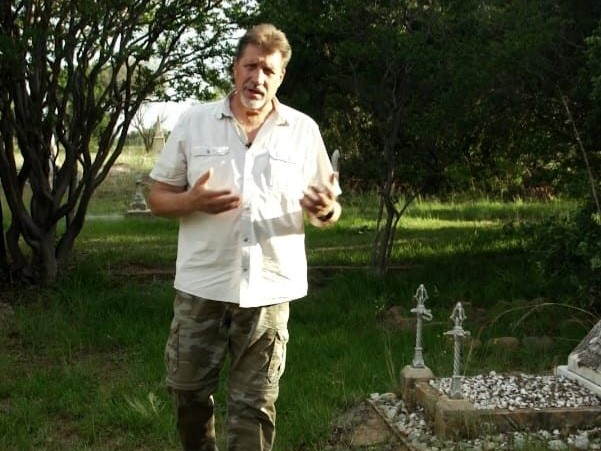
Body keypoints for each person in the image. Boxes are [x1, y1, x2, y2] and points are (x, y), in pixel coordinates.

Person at [148, 23, 342, 451]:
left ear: (281, 76)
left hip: (269, 291)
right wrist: (192, 200)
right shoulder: (195, 122)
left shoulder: (303, 130)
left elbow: (329, 209)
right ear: (235, 68)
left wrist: (325, 209)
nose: (258, 78)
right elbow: (157, 198)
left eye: (268, 70)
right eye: (251, 66)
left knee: (254, 405)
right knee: (187, 391)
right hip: (202, 285)